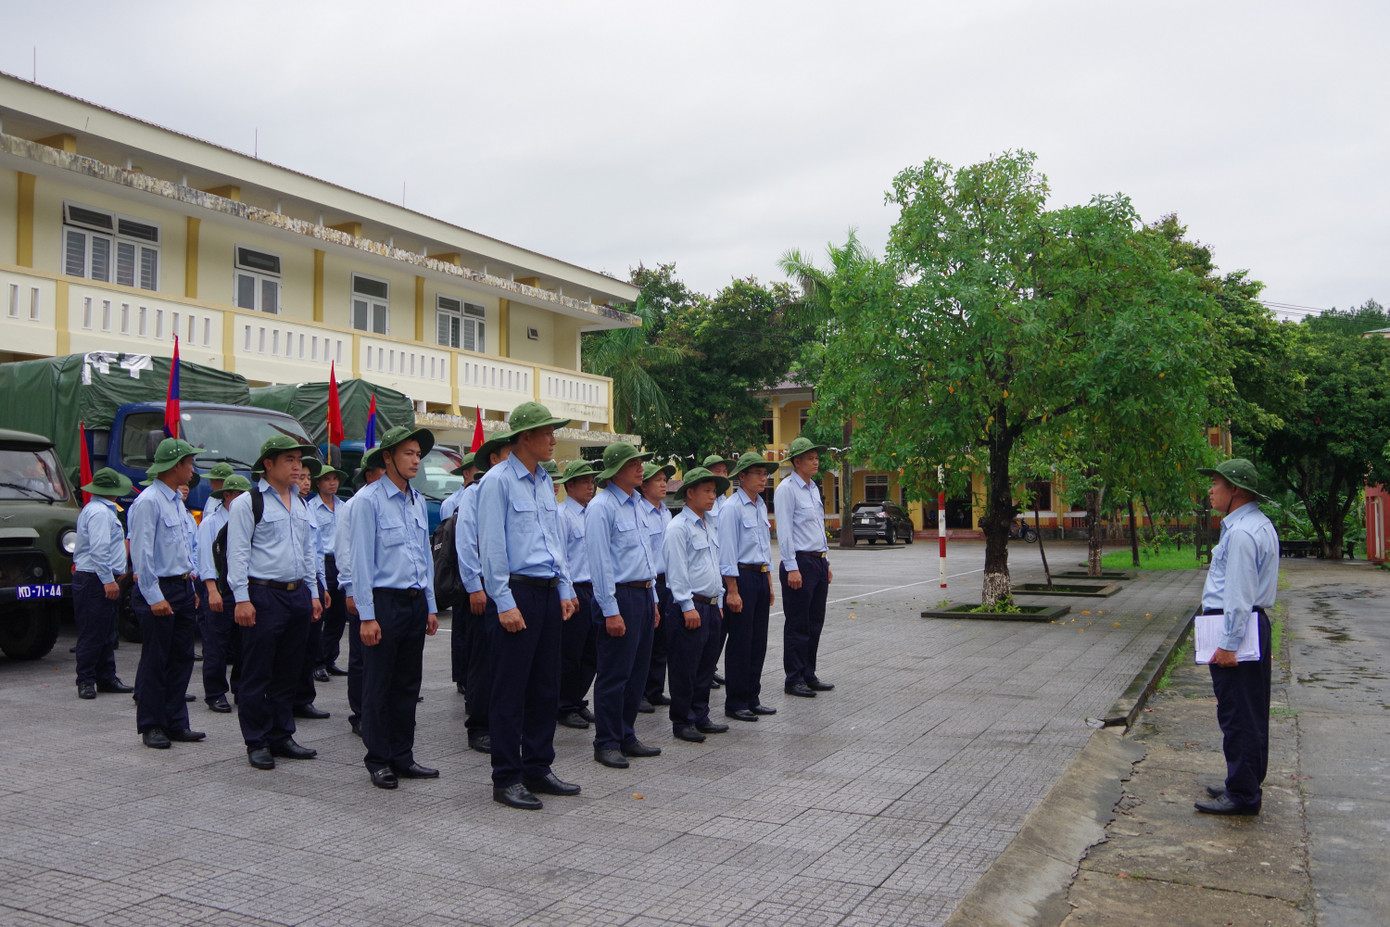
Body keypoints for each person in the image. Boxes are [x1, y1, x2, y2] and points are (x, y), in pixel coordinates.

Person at [477, 402, 582, 810]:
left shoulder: (544, 481)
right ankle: (506, 777)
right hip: (515, 593)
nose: (554, 439)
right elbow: (492, 547)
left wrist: (565, 587)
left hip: (546, 591)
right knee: (509, 690)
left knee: (544, 687)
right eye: (547, 432)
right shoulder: (497, 481)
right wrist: (503, 602)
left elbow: (553, 540)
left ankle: (539, 767)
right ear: (524, 438)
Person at [351, 426, 440, 790]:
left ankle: (403, 755)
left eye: (418, 454)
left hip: (415, 602)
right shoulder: (367, 501)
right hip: (384, 602)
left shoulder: (417, 500)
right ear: (387, 457)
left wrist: (431, 604)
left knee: (407, 684)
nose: (415, 460)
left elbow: (423, 557)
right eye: (408, 453)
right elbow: (360, 562)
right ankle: (379, 759)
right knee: (378, 685)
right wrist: (367, 615)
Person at [227, 436, 322, 771]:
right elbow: (236, 554)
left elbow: (307, 551)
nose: (298, 467)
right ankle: (256, 741)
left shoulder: (300, 502)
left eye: (299, 460)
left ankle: (282, 734)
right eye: (289, 460)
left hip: (296, 594)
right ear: (268, 464)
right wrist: (242, 599)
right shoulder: (247, 503)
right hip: (263, 594)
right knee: (258, 671)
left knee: (289, 670)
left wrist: (312, 592)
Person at [1193, 458, 1279, 816]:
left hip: (1236, 629)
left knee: (1238, 714)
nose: (1210, 490)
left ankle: (1243, 795)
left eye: (1216, 483)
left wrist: (1228, 644)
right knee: (1249, 710)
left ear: (1236, 490)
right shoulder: (1252, 524)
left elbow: (1239, 594)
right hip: (1247, 626)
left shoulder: (1242, 533)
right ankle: (1242, 781)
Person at [586, 442, 663, 769]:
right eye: (634, 463)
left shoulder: (636, 504)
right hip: (619, 596)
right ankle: (606, 741)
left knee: (636, 673)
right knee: (614, 673)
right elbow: (600, 563)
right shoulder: (602, 507)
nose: (640, 468)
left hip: (643, 594)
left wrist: (654, 599)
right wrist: (610, 609)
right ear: (617, 469)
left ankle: (626, 733)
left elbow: (646, 556)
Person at [127, 438, 203, 749]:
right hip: (161, 588)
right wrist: (154, 595)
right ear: (175, 466)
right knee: (156, 660)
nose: (192, 469)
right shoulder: (148, 502)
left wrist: (192, 587)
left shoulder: (175, 500)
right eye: (189, 463)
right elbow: (142, 555)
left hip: (182, 586)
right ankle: (152, 724)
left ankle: (175, 721)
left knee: (182, 657)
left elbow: (184, 546)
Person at [454, 432, 514, 753]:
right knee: (482, 661)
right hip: (484, 589)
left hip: (508, 587)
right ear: (494, 457)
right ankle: (478, 726)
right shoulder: (476, 492)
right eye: (509, 452)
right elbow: (466, 543)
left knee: (504, 661)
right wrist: (474, 587)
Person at [662, 467, 731, 743]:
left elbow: (713, 565)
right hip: (689, 605)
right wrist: (687, 605)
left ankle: (700, 714)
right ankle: (683, 720)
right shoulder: (678, 527)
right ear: (689, 493)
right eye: (707, 490)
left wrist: (720, 600)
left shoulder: (708, 524)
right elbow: (676, 571)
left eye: (714, 491)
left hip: (711, 604)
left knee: (706, 665)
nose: (713, 496)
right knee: (685, 666)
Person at [718, 451, 777, 722]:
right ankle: (736, 701)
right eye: (758, 473)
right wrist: (731, 589)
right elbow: (727, 551)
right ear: (742, 477)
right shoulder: (732, 508)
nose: (764, 478)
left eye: (765, 474)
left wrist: (769, 583)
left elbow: (764, 548)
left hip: (759, 576)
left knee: (758, 642)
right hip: (740, 578)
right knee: (741, 642)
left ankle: (753, 697)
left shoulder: (761, 504)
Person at [774, 436, 833, 698]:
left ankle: (809, 673)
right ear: (797, 462)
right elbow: (784, 530)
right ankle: (794, 678)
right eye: (810, 458)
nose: (815, 461)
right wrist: (792, 566)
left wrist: (826, 559)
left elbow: (817, 526)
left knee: (815, 622)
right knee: (798, 624)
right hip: (799, 561)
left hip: (817, 561)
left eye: (816, 457)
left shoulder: (812, 488)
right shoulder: (786, 489)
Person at [72, 467, 135, 700]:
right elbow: (99, 550)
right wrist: (108, 580)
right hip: (95, 578)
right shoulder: (100, 513)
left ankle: (105, 677)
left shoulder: (101, 509)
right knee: (93, 631)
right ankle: (86, 680)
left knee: (107, 631)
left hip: (97, 577)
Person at [336, 450, 386, 737]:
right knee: (360, 657)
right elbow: (345, 551)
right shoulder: (355, 505)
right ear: (370, 475)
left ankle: (379, 708)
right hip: (361, 589)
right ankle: (360, 712)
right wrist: (351, 589)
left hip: (385, 592)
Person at [196, 474, 253, 712]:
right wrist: (212, 590)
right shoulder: (211, 522)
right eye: (237, 495)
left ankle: (241, 688)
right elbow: (206, 558)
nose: (241, 499)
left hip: (244, 588)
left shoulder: (250, 519)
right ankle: (215, 693)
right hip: (220, 587)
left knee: (244, 643)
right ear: (226, 495)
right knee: (216, 644)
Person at [555, 459, 600, 730]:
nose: (590, 486)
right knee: (571, 652)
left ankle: (576, 699)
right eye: (584, 481)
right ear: (569, 485)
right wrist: (567, 591)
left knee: (591, 652)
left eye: (592, 481)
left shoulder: (592, 513)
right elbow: (560, 557)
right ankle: (563, 704)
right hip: (575, 590)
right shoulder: (562, 515)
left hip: (593, 588)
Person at [291, 457, 332, 722]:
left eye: (308, 478)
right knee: (290, 647)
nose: (305, 482)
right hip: (288, 582)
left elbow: (314, 552)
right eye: (301, 477)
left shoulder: (307, 508)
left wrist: (322, 586)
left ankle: (304, 699)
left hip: (312, 579)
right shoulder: (288, 505)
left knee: (309, 643)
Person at [640, 461, 677, 713]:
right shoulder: (639, 510)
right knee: (646, 641)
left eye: (665, 479)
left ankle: (654, 690)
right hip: (648, 583)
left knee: (663, 640)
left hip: (668, 582)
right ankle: (640, 692)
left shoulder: (665, 512)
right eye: (658, 480)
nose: (664, 484)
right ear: (644, 486)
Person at [310, 464, 351, 680]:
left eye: (335, 479)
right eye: (327, 479)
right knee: (321, 615)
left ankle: (329, 658)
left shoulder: (343, 507)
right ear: (318, 483)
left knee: (338, 615)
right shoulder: (311, 508)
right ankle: (316, 662)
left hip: (341, 562)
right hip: (322, 563)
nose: (332, 483)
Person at [443, 451, 477, 695]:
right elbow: (448, 542)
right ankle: (462, 675)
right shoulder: (451, 502)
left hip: (478, 569)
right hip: (459, 570)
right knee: (462, 626)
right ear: (466, 473)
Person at [439, 452, 478, 523]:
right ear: (466, 473)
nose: (482, 475)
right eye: (478, 471)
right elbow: (448, 532)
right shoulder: (451, 503)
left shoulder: (485, 498)